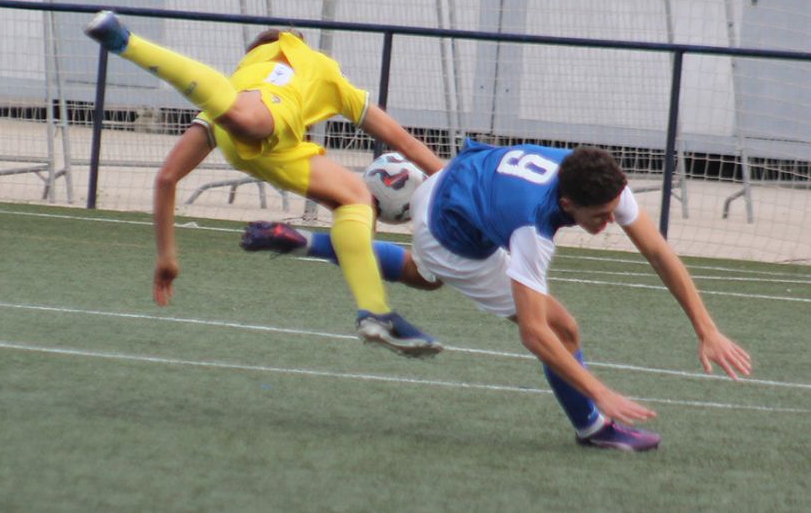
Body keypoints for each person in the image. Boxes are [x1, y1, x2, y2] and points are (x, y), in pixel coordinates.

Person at [240, 141, 753, 451]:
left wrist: (706, 328)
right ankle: (595, 429)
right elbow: (534, 333)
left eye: (610, 214)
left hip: (457, 182)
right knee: (561, 327)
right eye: (596, 219)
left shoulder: (606, 186)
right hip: (448, 229)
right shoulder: (535, 227)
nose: (605, 226)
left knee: (424, 276)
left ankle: (311, 242)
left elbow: (660, 253)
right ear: (569, 202)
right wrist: (600, 390)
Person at [84, 11, 446, 358]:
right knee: (243, 117)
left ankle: (375, 312)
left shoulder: (240, 79)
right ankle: (126, 43)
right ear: (293, 42)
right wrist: (452, 180)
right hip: (268, 119)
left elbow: (166, 177)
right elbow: (405, 142)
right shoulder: (315, 67)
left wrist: (166, 255)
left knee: (356, 200)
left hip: (266, 147)